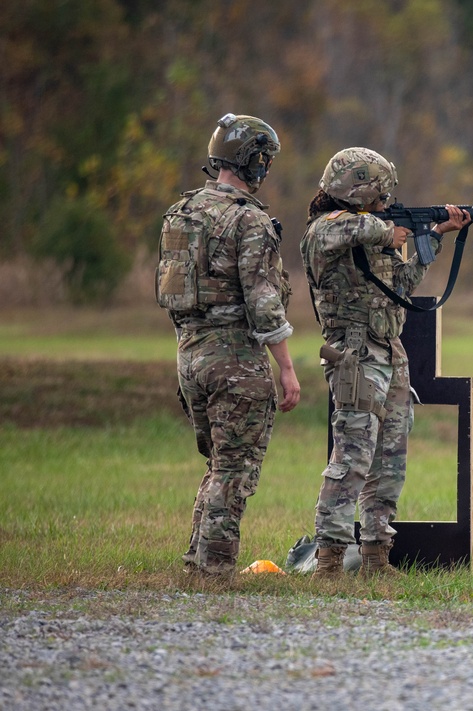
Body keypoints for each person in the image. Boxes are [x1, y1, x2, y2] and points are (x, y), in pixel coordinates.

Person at [300, 146, 470, 578]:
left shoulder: (371, 232)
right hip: (355, 355)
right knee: (351, 459)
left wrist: (433, 236)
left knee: (389, 461)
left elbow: (403, 287)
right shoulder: (325, 229)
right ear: (357, 194)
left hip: (391, 353)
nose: (385, 204)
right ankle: (330, 561)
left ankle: (377, 554)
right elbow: (334, 234)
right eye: (378, 196)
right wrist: (386, 231)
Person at [155, 113, 301, 577]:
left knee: (219, 462)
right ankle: (215, 570)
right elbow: (263, 301)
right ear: (253, 161)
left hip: (188, 354)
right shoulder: (248, 219)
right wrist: (286, 368)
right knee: (235, 469)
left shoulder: (182, 212)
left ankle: (197, 564)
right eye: (265, 159)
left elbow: (174, 290)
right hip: (234, 357)